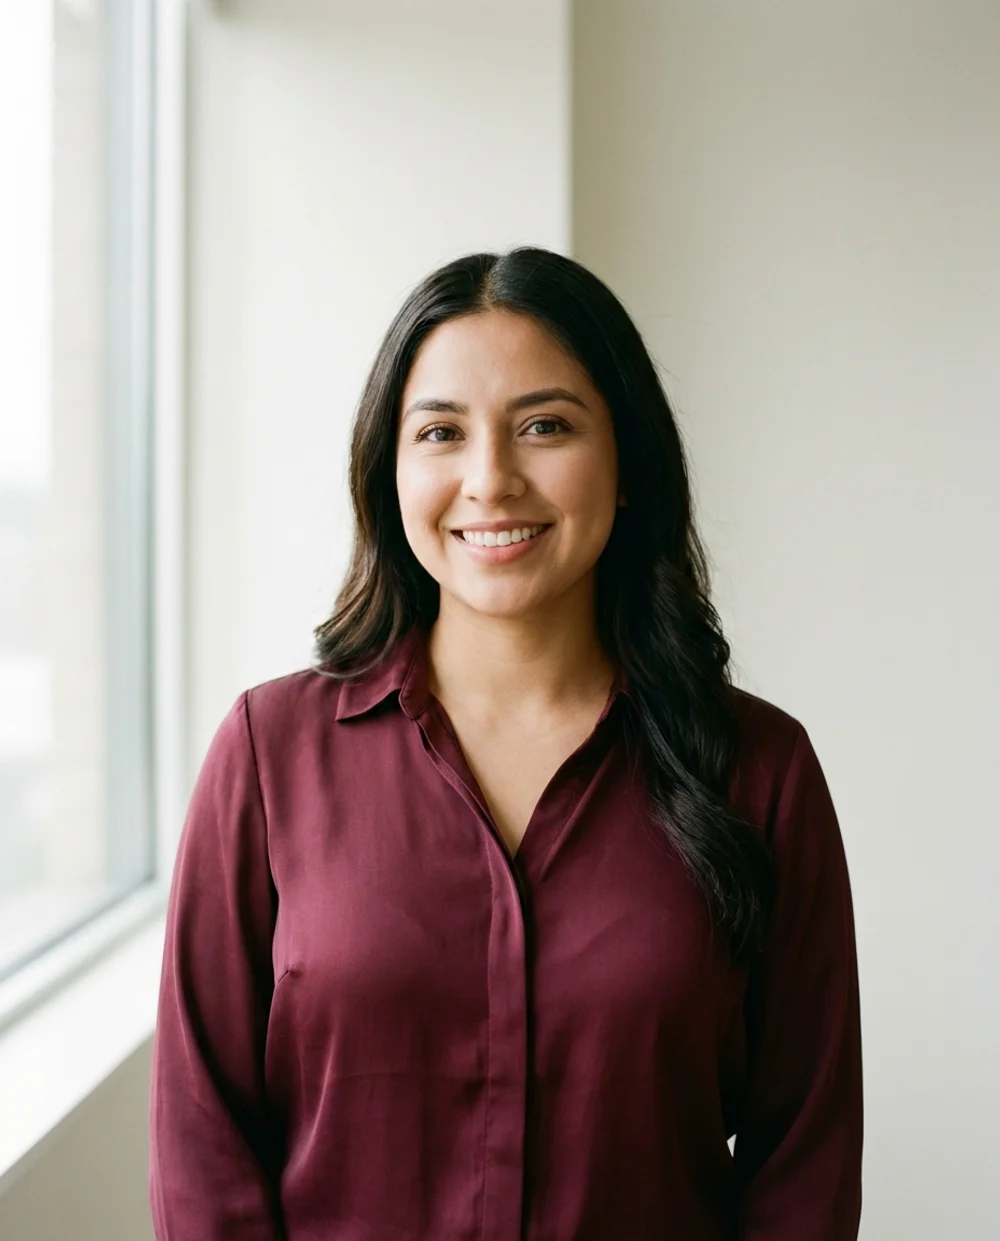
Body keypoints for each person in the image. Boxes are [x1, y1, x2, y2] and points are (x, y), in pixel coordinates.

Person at [148, 246, 863, 1240]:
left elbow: (805, 1161)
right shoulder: (269, 756)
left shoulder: (762, 769)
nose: (490, 478)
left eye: (545, 425)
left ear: (625, 465)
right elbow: (203, 1140)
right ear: (388, 472)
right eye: (440, 431)